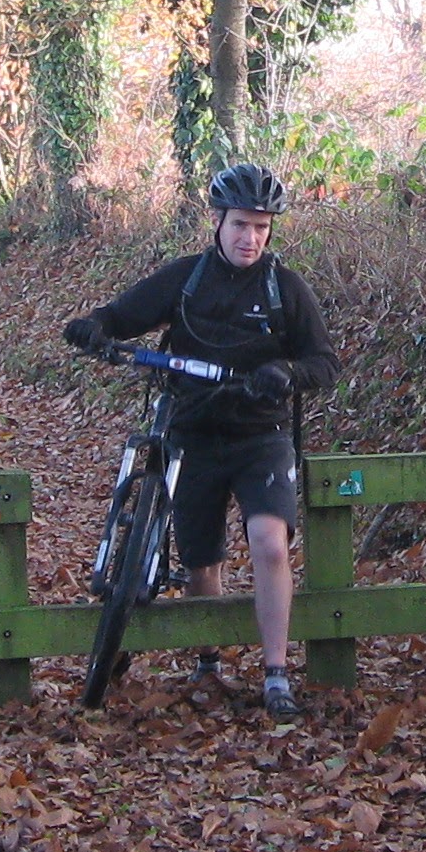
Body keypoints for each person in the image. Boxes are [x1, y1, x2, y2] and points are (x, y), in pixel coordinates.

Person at [63, 162, 337, 720]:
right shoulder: (186, 278)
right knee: (200, 560)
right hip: (192, 431)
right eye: (240, 225)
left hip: (260, 434)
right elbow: (122, 315)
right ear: (218, 221)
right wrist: (94, 327)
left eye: (261, 227)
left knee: (269, 542)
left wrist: (285, 372)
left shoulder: (285, 289)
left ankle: (276, 673)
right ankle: (208, 662)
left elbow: (324, 362)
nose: (250, 238)